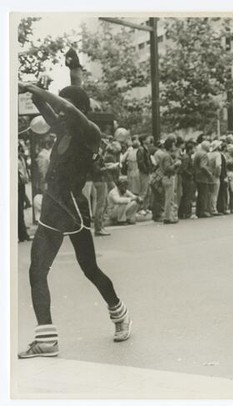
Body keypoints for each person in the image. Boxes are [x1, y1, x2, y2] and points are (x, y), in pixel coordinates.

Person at [17, 81, 132, 359]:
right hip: (53, 208)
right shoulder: (64, 128)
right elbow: (47, 108)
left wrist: (30, 85)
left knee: (89, 268)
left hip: (73, 208)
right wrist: (34, 94)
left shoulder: (90, 132)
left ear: (80, 110)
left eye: (67, 109)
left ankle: (120, 314)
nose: (61, 114)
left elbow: (63, 106)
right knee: (37, 271)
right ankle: (46, 340)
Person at [18, 142, 31, 242]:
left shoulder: (21, 159)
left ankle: (23, 234)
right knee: (19, 211)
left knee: (20, 210)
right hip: (17, 186)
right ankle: (22, 234)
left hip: (21, 185)